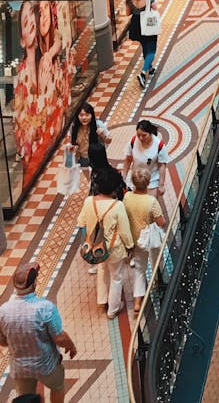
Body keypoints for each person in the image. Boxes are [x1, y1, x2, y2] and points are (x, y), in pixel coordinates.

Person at [0, 262, 77, 402]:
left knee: (27, 398)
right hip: (47, 365)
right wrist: (71, 347)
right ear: (34, 283)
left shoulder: (3, 311)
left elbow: (3, 341)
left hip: (20, 369)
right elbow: (59, 338)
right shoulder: (45, 308)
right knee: (57, 387)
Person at [77, 169, 134, 319]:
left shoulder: (89, 201)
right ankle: (113, 309)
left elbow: (81, 222)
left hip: (96, 247)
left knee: (102, 270)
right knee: (116, 277)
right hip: (114, 249)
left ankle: (102, 301)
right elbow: (124, 231)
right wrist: (130, 246)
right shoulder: (117, 206)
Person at [123, 166, 165, 313]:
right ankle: (158, 281)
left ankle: (137, 302)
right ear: (147, 184)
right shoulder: (151, 201)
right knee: (156, 261)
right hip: (150, 239)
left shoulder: (127, 197)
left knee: (139, 269)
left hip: (135, 239)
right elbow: (161, 222)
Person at [121, 119, 169, 197]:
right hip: (136, 180)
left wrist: (161, 185)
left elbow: (162, 166)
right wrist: (123, 177)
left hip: (152, 181)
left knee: (150, 205)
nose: (140, 138)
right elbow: (128, 160)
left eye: (144, 135)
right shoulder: (133, 141)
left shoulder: (159, 145)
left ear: (150, 133)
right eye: (138, 135)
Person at [126, 0, 158, 89]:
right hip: (148, 23)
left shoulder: (130, 0)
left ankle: (149, 67)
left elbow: (127, 13)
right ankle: (143, 73)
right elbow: (155, 8)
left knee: (144, 45)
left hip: (136, 25)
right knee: (152, 50)